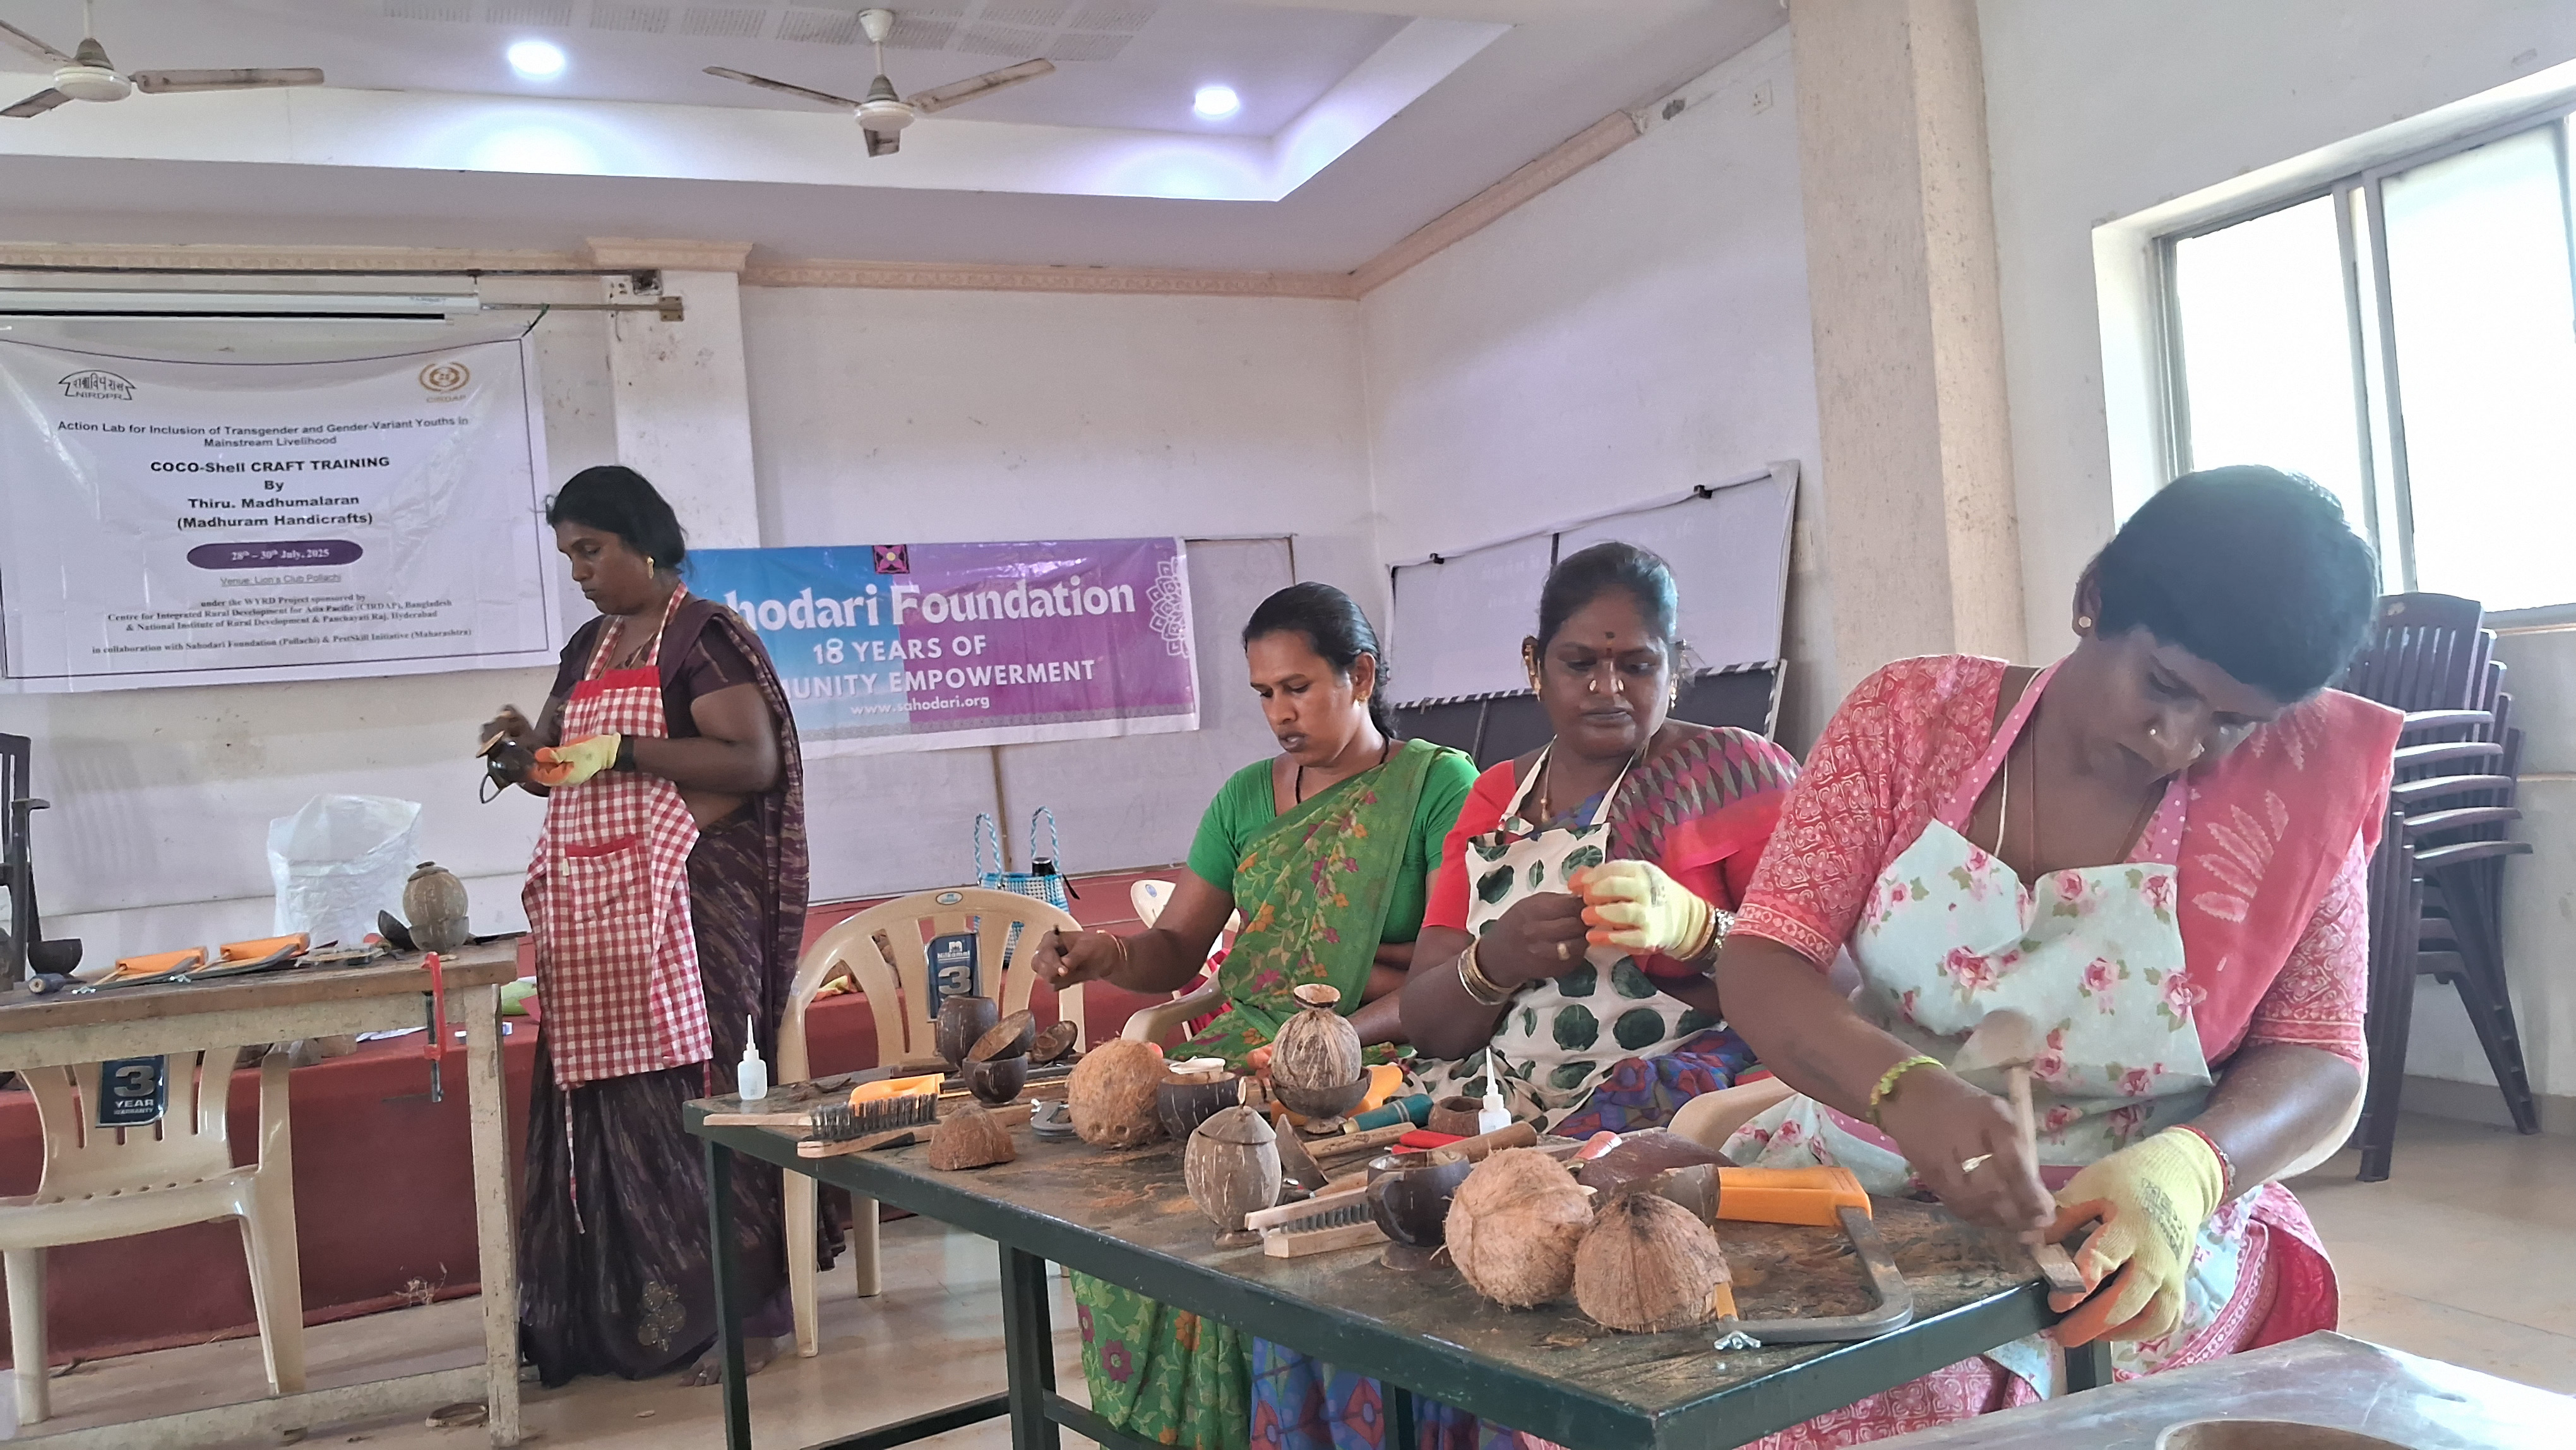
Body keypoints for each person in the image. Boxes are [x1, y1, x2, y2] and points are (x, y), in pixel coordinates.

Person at [1707, 467, 2394, 1444]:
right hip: (1859, 1175)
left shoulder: (2295, 797)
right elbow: (1766, 957)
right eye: (2165, 686)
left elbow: (2322, 1053)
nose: (2179, 742)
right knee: (1697, 1371)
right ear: (2094, 601)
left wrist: (2188, 1174)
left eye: (2231, 721)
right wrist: (1904, 1087)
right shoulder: (1909, 720)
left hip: (2129, 1234)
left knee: (1929, 1410)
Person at [1251, 541, 1801, 1450]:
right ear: (1533, 666)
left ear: (1677, 669)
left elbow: (1836, 982)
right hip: (1508, 1109)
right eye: (1580, 663)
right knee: (1351, 1291)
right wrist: (1494, 961)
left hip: (1665, 1111)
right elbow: (1431, 1015)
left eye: (1638, 665)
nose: (1608, 688)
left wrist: (1700, 931)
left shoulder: (1738, 777)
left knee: (1531, 1271)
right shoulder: (1495, 802)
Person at [1030, 582, 1476, 1450]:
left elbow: (1444, 970)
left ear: (1361, 675)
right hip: (1244, 1052)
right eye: (1265, 694)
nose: (1280, 713)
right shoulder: (1243, 799)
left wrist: (1339, 1018)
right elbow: (1177, 951)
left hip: (1375, 1059)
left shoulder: (1434, 785)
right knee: (1128, 1211)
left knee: (1254, 1204)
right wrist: (1108, 954)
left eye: (1299, 687)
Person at [482, 465, 811, 1387]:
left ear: (647, 543)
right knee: (609, 1104)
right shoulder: (590, 645)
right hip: (604, 916)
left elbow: (751, 761)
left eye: (592, 550)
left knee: (699, 1094)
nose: (579, 571)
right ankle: (613, 1316)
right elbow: (556, 766)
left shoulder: (705, 638)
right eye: (569, 555)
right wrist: (517, 756)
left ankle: (747, 1314)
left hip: (695, 906)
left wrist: (624, 748)